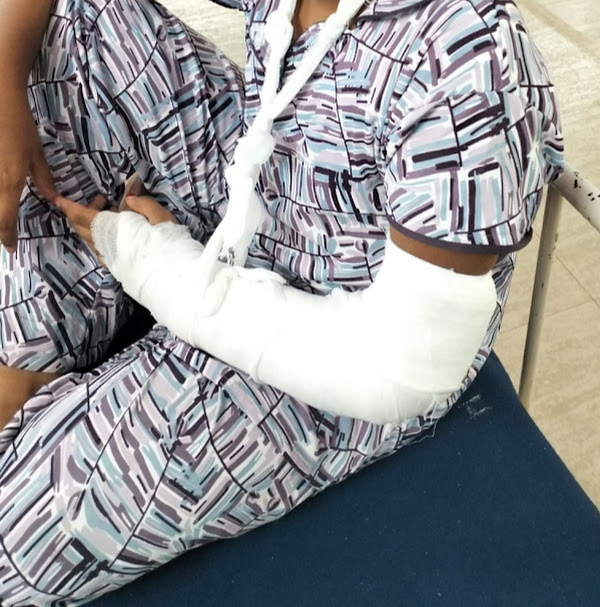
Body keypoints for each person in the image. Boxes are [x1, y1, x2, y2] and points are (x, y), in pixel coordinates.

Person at [0, 0, 562, 604]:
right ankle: (38, 352)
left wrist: (162, 268)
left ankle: (53, 392)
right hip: (267, 172)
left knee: (16, 538)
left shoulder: (467, 57)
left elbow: (401, 367)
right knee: (75, 21)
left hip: (345, 344)